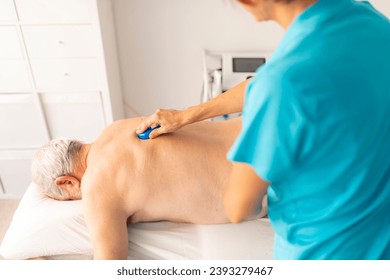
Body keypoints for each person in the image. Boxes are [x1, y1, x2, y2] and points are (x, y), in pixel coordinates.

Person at [137, 0, 390, 259]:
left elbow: (240, 207)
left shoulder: (283, 82)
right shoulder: (370, 20)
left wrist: (259, 142)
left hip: (324, 254)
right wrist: (188, 115)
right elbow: (270, 84)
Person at [31, 117, 267, 260]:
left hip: (262, 179)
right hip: (261, 126)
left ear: (66, 182)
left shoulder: (96, 185)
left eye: (68, 199)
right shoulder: (115, 128)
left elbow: (109, 267)